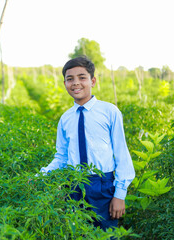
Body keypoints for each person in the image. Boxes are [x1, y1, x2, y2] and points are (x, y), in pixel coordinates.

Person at [38, 56, 135, 230]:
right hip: (74, 185)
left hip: (103, 185)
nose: (76, 83)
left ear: (93, 81)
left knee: (105, 233)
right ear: (65, 83)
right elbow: (61, 156)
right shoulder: (65, 119)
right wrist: (41, 175)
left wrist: (120, 194)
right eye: (70, 79)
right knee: (78, 232)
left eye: (82, 77)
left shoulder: (109, 111)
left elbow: (121, 153)